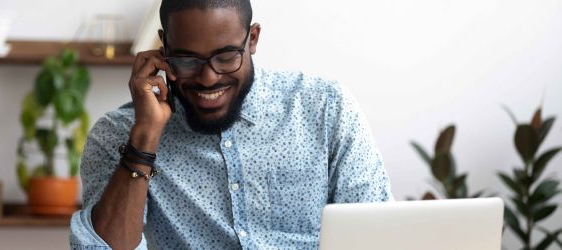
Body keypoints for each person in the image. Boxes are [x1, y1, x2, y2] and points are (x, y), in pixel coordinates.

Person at [70, 0, 392, 249]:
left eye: (226, 57)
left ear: (252, 39)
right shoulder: (118, 134)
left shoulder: (326, 110)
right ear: (163, 49)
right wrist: (144, 138)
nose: (208, 77)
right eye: (187, 60)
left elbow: (379, 237)